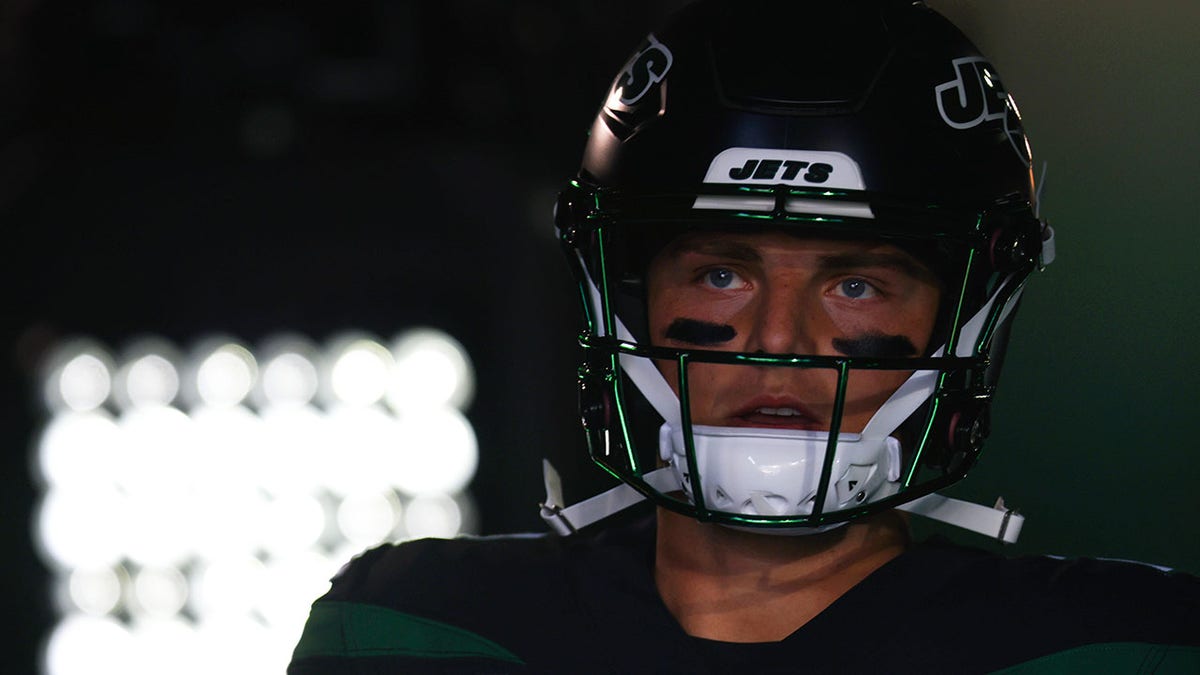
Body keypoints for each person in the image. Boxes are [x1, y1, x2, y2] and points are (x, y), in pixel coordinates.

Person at [288, 1, 1200, 672]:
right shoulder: (415, 635)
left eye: (855, 282)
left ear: (961, 316)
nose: (781, 339)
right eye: (722, 273)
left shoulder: (1124, 649)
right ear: (630, 299)